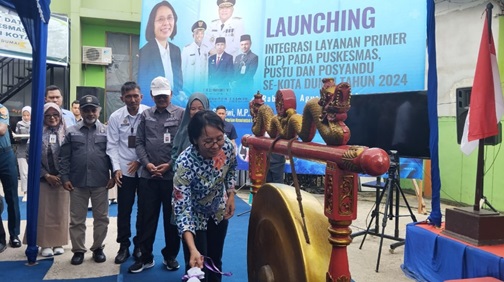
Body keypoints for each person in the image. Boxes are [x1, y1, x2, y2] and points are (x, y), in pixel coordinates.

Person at [173, 110, 237, 282]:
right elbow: (182, 208)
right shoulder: (184, 163)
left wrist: (230, 194)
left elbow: (231, 168)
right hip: (194, 215)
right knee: (196, 266)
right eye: (208, 141)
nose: (216, 146)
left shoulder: (227, 147)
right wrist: (192, 248)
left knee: (215, 260)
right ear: (195, 140)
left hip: (218, 211)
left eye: (219, 138)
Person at [129, 76, 183, 273]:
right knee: (146, 219)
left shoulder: (181, 114)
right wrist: (148, 164)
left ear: (170, 93)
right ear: (152, 95)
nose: (161, 99)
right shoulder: (145, 115)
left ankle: (170, 256)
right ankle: (145, 256)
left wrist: (170, 165)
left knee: (172, 220)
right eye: (158, 95)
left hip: (172, 178)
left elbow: (183, 144)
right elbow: (139, 142)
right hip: (148, 177)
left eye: (165, 95)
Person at [60, 95, 115, 265]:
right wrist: (65, 177)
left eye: (93, 109)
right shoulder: (71, 131)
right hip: (77, 182)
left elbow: (113, 155)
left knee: (102, 218)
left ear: (98, 111)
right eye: (86, 110)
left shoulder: (106, 131)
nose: (90, 113)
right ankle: (78, 250)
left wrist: (114, 175)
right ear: (81, 111)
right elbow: (64, 157)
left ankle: (98, 248)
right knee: (77, 220)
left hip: (101, 182)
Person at [106, 81, 149, 264]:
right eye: (128, 96)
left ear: (141, 96)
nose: (132, 100)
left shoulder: (148, 114)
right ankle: (123, 245)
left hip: (145, 169)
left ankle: (140, 245)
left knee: (144, 211)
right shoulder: (116, 117)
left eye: (135, 96)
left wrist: (140, 161)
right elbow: (112, 145)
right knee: (124, 210)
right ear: (122, 98)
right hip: (124, 171)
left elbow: (152, 141)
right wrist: (116, 168)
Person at [26, 102, 70, 257]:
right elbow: (29, 156)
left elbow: (70, 155)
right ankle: (44, 244)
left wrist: (62, 175)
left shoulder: (67, 132)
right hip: (44, 178)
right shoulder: (36, 133)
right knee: (43, 212)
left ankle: (58, 242)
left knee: (60, 212)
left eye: (55, 114)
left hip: (62, 178)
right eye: (48, 115)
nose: (52, 118)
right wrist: (46, 175)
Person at [138, 1, 183, 100]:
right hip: (155, 104)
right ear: (152, 24)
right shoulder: (144, 53)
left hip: (174, 105)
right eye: (160, 19)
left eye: (170, 18)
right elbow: (144, 87)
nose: (166, 23)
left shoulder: (176, 50)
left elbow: (179, 83)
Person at [0, 103, 21, 249]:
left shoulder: (1, 108)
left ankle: (14, 235)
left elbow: (1, 130)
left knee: (12, 197)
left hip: (5, 155)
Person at [172, 93, 210, 162]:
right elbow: (175, 154)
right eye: (193, 109)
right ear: (188, 111)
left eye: (200, 108)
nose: (196, 112)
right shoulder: (183, 131)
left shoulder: (213, 131)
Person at [182, 20, 210, 92]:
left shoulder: (205, 49)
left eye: (202, 33)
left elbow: (206, 70)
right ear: (193, 35)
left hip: (201, 87)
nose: (199, 36)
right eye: (197, 33)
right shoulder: (187, 49)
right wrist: (183, 88)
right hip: (189, 87)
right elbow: (182, 70)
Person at [15, 106, 31, 202]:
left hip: (32, 150)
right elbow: (17, 137)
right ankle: (25, 192)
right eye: (24, 115)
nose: (26, 117)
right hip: (22, 150)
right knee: (24, 173)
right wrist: (17, 137)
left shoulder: (35, 123)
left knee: (32, 173)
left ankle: (33, 192)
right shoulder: (19, 124)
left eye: (28, 115)